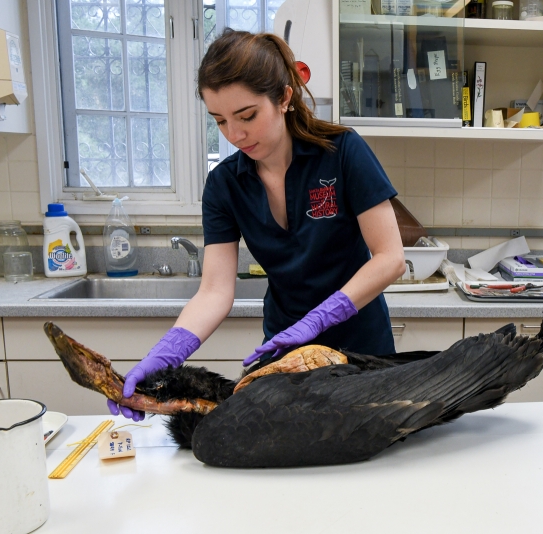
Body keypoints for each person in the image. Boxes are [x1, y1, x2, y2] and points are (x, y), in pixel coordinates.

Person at [108, 29, 406, 421]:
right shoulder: (225, 185)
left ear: (284, 98)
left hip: (363, 348)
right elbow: (215, 292)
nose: (235, 135)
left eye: (247, 116)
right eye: (220, 121)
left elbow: (390, 258)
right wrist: (164, 356)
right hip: (284, 355)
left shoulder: (343, 152)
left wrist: (319, 319)